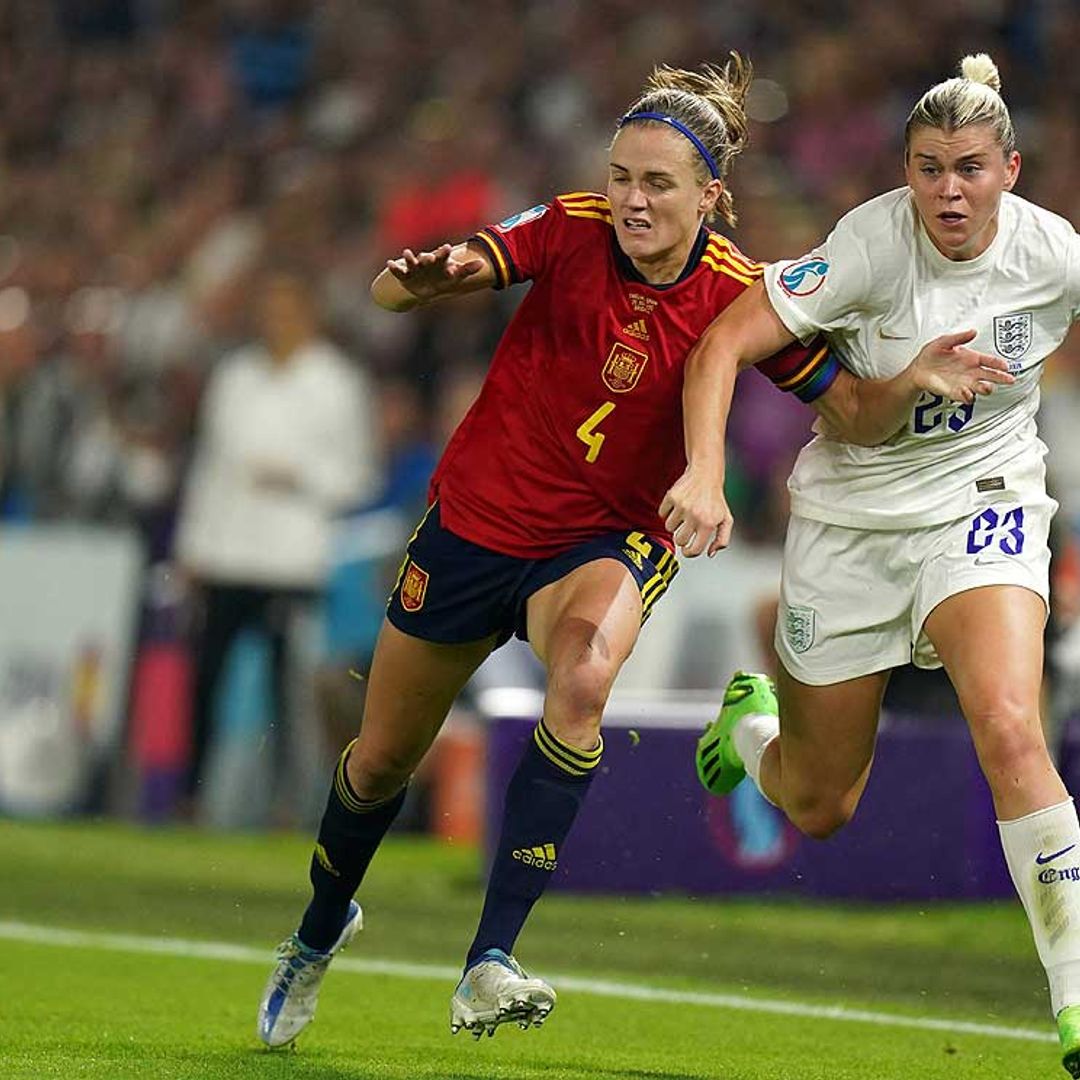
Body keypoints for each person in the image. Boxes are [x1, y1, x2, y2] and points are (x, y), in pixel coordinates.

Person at [252, 54, 851, 1049]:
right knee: (381, 759)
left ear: (712, 196)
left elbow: (843, 396)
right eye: (623, 176)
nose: (632, 199)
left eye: (658, 183)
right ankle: (317, 932)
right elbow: (410, 290)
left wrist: (915, 379)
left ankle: (489, 960)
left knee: (583, 678)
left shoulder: (742, 295)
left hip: (601, 540)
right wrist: (421, 283)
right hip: (476, 522)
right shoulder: (569, 228)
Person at [659, 54, 1080, 1076]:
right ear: (904, 172)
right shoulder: (868, 247)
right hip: (852, 524)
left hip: (982, 511)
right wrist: (707, 475)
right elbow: (722, 344)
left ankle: (1075, 1003)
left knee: (1013, 727)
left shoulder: (1056, 257)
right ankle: (749, 724)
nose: (948, 191)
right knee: (818, 802)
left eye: (971, 168)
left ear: (1011, 170)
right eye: (929, 168)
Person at [174, 266, 378, 818]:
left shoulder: (336, 385)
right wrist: (192, 545)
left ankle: (290, 800)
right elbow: (209, 466)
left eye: (286, 308)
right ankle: (190, 796)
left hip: (293, 560)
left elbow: (358, 475)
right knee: (206, 679)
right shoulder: (235, 376)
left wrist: (299, 474)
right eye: (268, 308)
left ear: (309, 314)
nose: (275, 319)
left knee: (287, 691)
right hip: (228, 554)